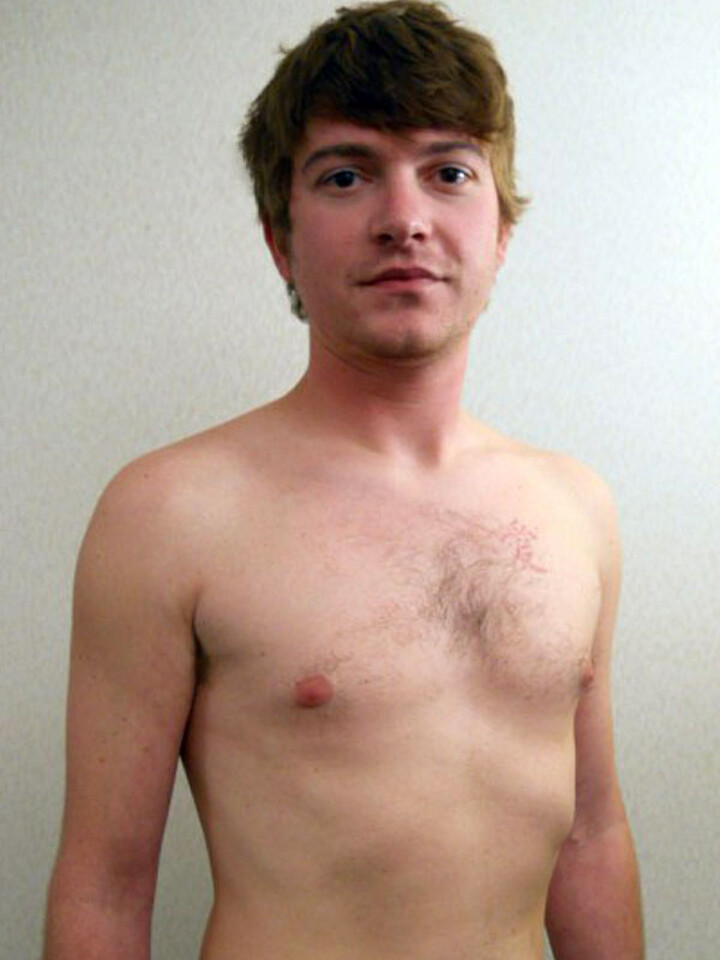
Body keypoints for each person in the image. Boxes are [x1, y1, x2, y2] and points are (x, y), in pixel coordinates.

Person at [43, 2, 644, 958]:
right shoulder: (169, 513)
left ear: (501, 230)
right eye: (346, 175)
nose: (403, 220)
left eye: (449, 172)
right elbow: (105, 891)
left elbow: (590, 837)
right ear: (280, 240)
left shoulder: (576, 507)